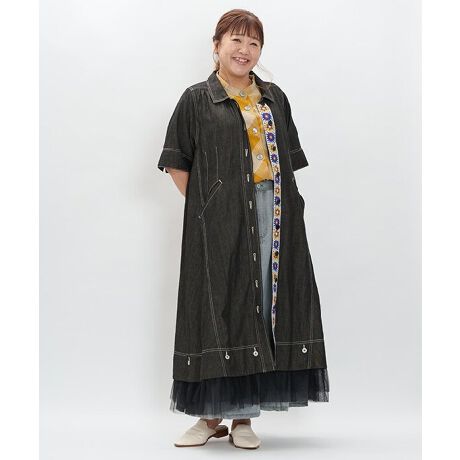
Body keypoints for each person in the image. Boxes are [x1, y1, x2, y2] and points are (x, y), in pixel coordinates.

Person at [157, 9, 330, 449]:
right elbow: (177, 162)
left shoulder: (274, 98)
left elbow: (288, 160)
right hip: (220, 216)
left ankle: (244, 418)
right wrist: (209, 207)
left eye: (254, 43)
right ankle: (209, 415)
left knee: (263, 305)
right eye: (236, 40)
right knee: (218, 305)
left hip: (274, 211)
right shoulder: (197, 99)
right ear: (217, 46)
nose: (244, 50)